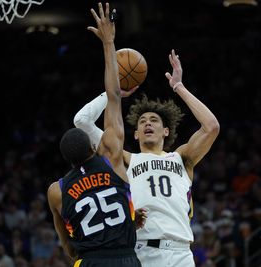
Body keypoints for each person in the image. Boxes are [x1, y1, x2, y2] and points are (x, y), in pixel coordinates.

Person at [74, 48, 220, 266]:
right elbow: (82, 121)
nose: (148, 123)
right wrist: (114, 92)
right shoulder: (124, 159)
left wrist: (178, 87)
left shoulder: (181, 158)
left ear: (166, 131)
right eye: (142, 121)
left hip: (181, 254)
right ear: (135, 133)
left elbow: (211, 127)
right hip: (143, 251)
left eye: (154, 120)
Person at [47, 3, 143, 267]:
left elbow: (66, 242)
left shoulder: (57, 190)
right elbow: (113, 95)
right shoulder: (111, 156)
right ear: (93, 146)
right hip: (125, 258)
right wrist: (109, 42)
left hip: (89, 260)